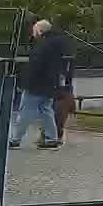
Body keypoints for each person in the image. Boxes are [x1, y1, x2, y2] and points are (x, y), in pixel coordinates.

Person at [11, 19, 66, 150]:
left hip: (36, 84)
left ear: (40, 31)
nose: (32, 32)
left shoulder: (42, 45)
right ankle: (52, 138)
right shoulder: (56, 44)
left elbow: (34, 67)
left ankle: (15, 139)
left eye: (34, 29)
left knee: (25, 111)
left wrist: (23, 83)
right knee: (46, 110)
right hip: (49, 84)